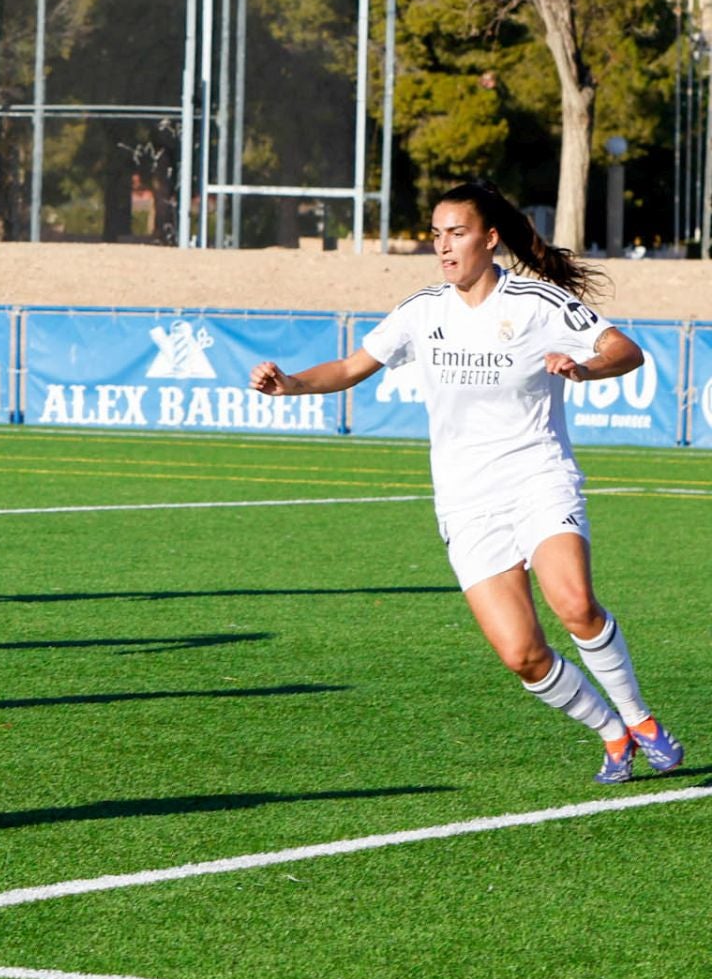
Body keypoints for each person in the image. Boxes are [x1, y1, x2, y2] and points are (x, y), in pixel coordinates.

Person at [249, 179, 682, 784]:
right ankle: (611, 736)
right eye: (436, 235)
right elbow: (351, 366)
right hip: (466, 501)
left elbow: (626, 350)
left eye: (457, 233)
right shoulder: (422, 310)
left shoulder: (538, 303)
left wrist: (581, 367)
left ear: (490, 238)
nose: (443, 247)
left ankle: (640, 720)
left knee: (576, 604)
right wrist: (289, 382)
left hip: (538, 477)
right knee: (523, 656)